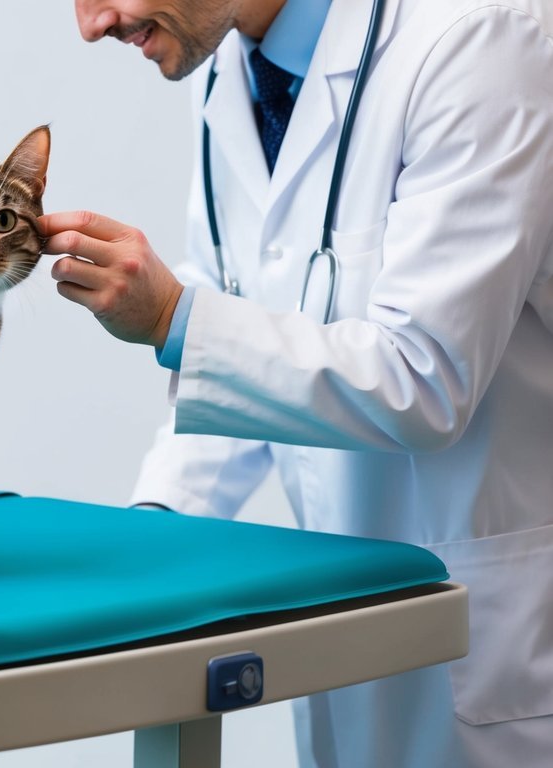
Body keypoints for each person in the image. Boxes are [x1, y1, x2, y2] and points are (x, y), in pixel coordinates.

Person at [41, 0, 553, 766]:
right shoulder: (225, 68)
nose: (90, 23)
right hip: (343, 633)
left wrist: (172, 320)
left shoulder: (480, 39)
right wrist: (151, 533)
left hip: (488, 642)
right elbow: (240, 344)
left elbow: (425, 378)